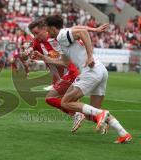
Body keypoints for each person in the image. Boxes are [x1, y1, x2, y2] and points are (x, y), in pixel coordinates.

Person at [44, 15, 131, 143]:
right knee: (93, 114)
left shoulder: (62, 35)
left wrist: (89, 55)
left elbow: (82, 32)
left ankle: (101, 114)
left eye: (47, 29)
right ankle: (123, 133)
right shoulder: (64, 37)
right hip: (100, 70)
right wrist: (43, 58)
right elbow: (64, 62)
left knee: (65, 102)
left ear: (52, 28)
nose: (46, 32)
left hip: (90, 71)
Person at [28, 18, 110, 133]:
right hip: (68, 74)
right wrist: (34, 56)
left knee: (54, 99)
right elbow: (26, 51)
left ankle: (79, 114)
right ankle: (107, 121)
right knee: (80, 107)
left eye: (36, 33)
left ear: (45, 29)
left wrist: (94, 30)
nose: (35, 36)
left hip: (72, 72)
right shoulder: (38, 42)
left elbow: (79, 31)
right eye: (33, 34)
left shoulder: (59, 36)